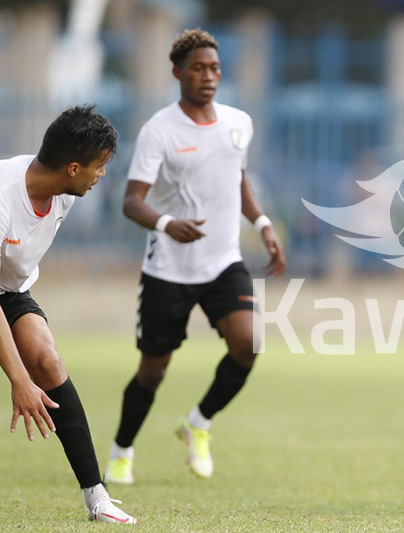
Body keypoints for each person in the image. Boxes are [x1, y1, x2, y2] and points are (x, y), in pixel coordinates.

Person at [104, 28, 285, 484]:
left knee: (248, 345)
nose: (208, 77)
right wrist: (167, 224)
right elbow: (131, 201)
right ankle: (122, 450)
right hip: (168, 269)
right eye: (199, 68)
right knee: (153, 370)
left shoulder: (238, 122)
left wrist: (262, 224)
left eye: (215, 69)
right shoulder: (159, 130)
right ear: (177, 73)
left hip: (223, 261)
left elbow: (236, 180)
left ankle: (198, 423)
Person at [0, 106, 136, 524]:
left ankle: (98, 498)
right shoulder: (3, 196)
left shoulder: (64, 193)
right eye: (98, 168)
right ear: (73, 167)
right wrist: (19, 382)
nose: (101, 177)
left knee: (46, 358)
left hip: (9, 289)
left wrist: (29, 370)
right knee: (29, 369)